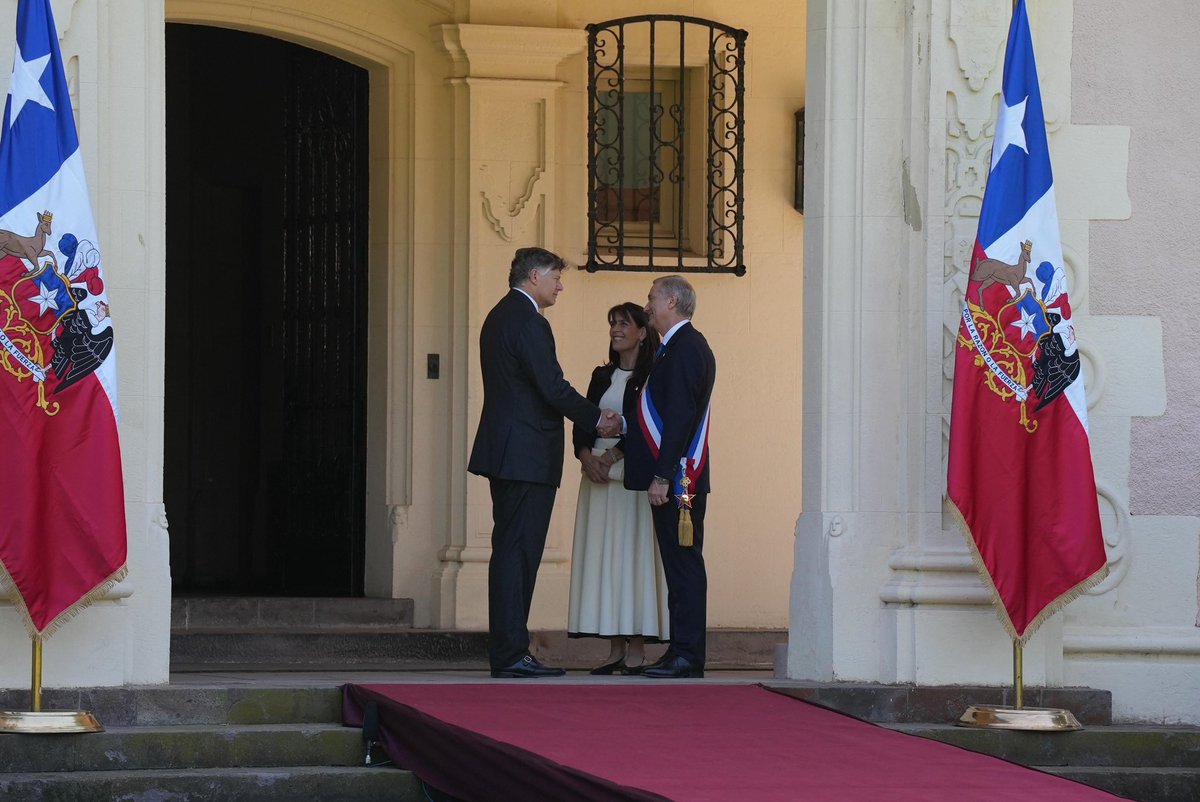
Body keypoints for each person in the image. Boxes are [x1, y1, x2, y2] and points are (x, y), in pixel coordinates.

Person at [468, 247, 621, 679]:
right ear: (534, 276)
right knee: (518, 554)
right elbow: (551, 388)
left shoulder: (501, 315)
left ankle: (510, 650)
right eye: (556, 276)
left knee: (512, 552)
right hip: (526, 452)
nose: (561, 285)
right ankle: (512, 653)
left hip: (510, 451)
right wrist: (598, 419)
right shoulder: (529, 320)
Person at [567, 302, 669, 675]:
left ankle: (638, 647)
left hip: (631, 478)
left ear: (642, 332)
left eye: (623, 323)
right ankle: (613, 647)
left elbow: (650, 427)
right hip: (595, 479)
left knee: (631, 557)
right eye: (612, 323)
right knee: (603, 558)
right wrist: (584, 455)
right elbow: (582, 421)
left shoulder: (653, 377)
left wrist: (613, 457)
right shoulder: (600, 375)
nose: (615, 330)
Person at [623, 275, 716, 679]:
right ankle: (679, 650)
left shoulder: (686, 348)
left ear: (672, 301)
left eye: (652, 298)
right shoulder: (672, 348)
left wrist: (662, 476)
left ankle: (687, 655)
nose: (647, 306)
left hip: (680, 482)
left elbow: (679, 417)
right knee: (677, 566)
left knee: (683, 567)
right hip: (675, 479)